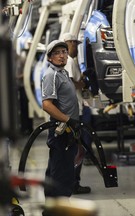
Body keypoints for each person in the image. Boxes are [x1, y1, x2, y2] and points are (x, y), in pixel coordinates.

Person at [41, 40, 82, 215]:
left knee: (58, 170)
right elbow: (47, 105)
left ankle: (53, 210)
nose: (62, 55)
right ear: (50, 57)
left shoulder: (63, 73)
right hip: (62, 130)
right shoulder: (52, 75)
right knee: (62, 174)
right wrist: (69, 120)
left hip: (68, 130)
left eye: (64, 52)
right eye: (57, 53)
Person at [61, 32, 93, 194]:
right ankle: (73, 183)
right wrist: (84, 82)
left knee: (78, 147)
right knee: (79, 147)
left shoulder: (69, 62)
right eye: (75, 44)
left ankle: (72, 182)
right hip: (77, 112)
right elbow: (72, 84)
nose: (76, 48)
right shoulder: (69, 62)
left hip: (78, 109)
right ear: (69, 43)